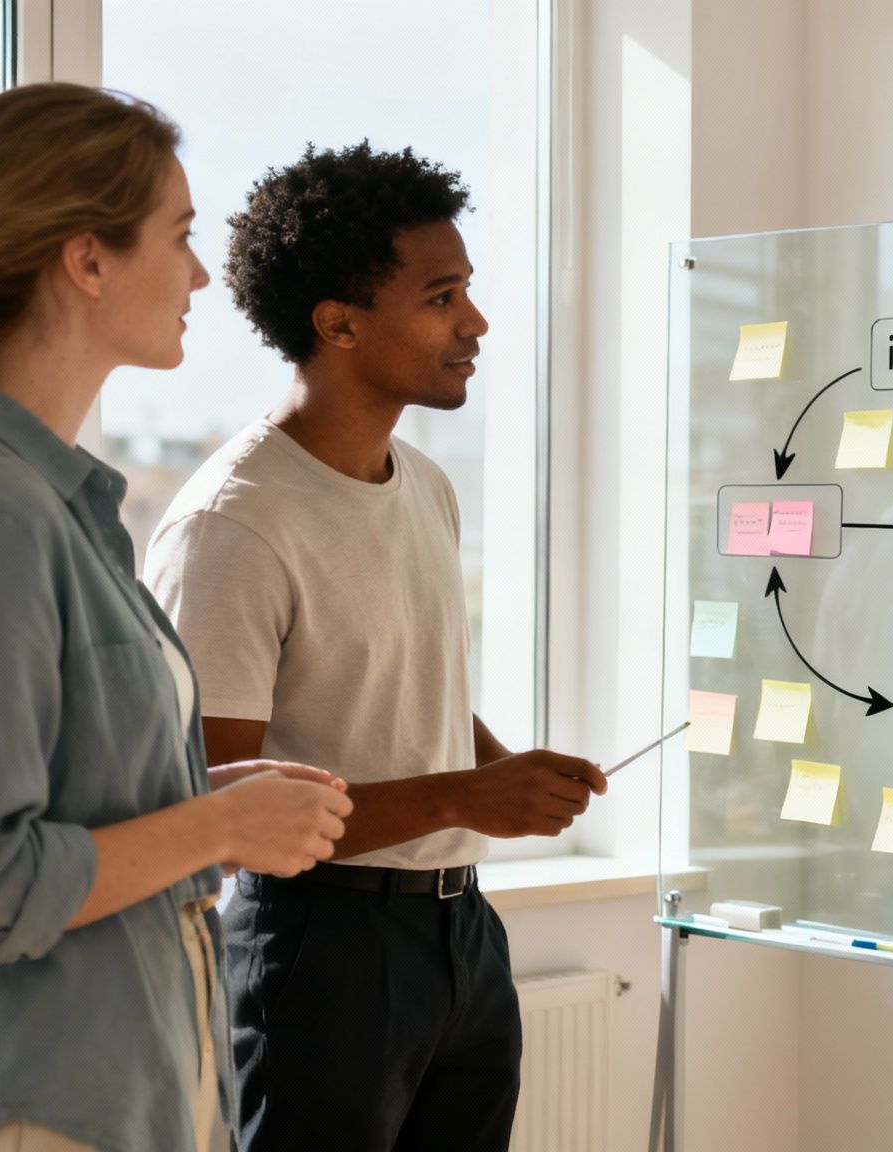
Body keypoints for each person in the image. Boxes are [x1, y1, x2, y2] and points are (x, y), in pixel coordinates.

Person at [0, 83, 354, 1152]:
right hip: (15, 1115)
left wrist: (192, 798)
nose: (197, 275)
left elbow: (53, 815)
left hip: (96, 1097)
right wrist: (219, 827)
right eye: (179, 237)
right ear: (86, 258)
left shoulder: (49, 504)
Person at [144, 142, 608, 1151]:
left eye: (467, 293)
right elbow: (211, 806)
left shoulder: (425, 486)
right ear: (339, 322)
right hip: (317, 947)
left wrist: (498, 768)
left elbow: (403, 693)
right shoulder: (235, 522)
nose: (474, 323)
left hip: (460, 934)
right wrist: (458, 797)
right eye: (442, 296)